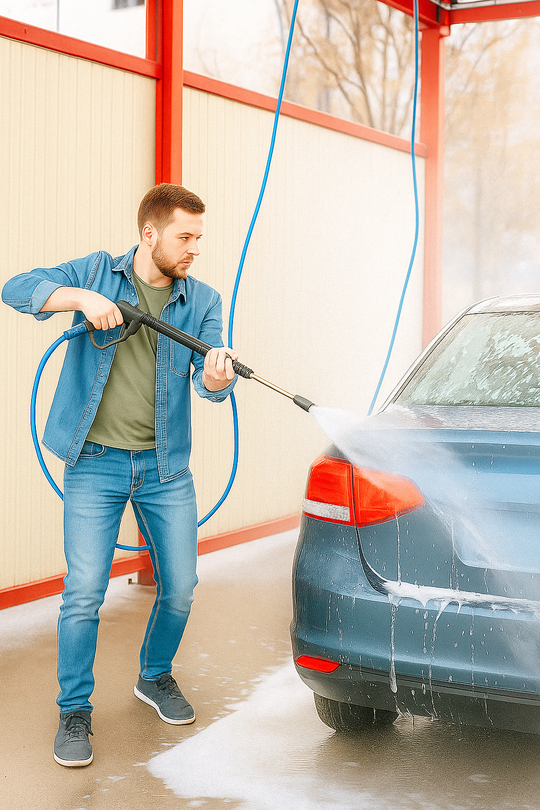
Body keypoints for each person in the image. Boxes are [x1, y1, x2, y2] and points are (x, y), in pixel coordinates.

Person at [1, 183, 238, 767]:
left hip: (165, 469)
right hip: (95, 463)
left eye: (198, 238)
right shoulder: (96, 273)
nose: (194, 249)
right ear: (149, 234)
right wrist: (79, 298)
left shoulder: (202, 300)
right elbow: (14, 288)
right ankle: (74, 711)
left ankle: (155, 677)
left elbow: (212, 383)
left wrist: (216, 380)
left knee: (180, 587)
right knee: (84, 593)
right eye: (185, 237)